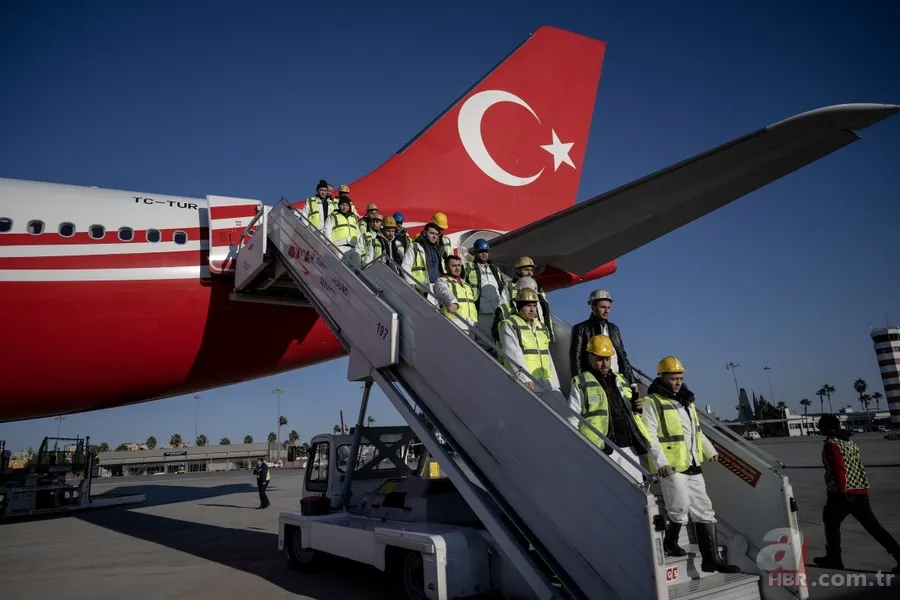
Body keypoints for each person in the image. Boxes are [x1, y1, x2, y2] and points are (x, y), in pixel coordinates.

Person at [640, 356, 738, 573]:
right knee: (680, 506)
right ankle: (670, 542)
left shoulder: (687, 402)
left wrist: (709, 450)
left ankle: (710, 560)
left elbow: (696, 430)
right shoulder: (652, 402)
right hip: (671, 466)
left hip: (692, 463)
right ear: (662, 377)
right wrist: (660, 462)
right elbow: (650, 436)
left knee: (705, 509)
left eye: (680, 378)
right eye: (674, 378)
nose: (678, 382)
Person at [812, 414, 900, 573]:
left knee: (831, 523)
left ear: (827, 428)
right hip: (860, 491)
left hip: (842, 493)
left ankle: (834, 558)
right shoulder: (850, 443)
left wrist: (841, 492)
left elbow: (839, 470)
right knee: (874, 527)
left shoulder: (831, 444)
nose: (820, 429)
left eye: (821, 426)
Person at [567, 335, 649, 483]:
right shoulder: (581, 382)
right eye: (599, 359)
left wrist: (638, 407)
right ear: (589, 357)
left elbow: (632, 411)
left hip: (629, 445)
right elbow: (573, 418)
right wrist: (579, 448)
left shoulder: (621, 379)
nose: (604, 363)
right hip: (603, 447)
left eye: (607, 359)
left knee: (638, 488)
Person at [570, 289, 637, 395]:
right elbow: (576, 360)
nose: (607, 311)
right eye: (603, 307)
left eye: (609, 308)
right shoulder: (580, 329)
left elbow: (623, 357)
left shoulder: (614, 329)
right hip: (594, 380)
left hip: (616, 380)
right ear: (592, 307)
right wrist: (578, 385)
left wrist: (632, 383)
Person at [497, 288, 559, 392]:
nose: (532, 310)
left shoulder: (541, 327)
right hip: (528, 382)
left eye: (534, 306)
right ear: (519, 307)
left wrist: (555, 382)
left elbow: (547, 356)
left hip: (546, 382)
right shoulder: (510, 324)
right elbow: (512, 352)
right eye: (528, 306)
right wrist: (525, 379)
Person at [463, 238, 510, 342]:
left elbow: (502, 288)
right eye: (481, 252)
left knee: (500, 339)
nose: (484, 254)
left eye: (486, 251)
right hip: (481, 311)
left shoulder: (495, 268)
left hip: (496, 309)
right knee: (485, 341)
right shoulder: (468, 268)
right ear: (475, 252)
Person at [507, 256, 554, 341]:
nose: (530, 273)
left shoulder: (538, 288)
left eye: (531, 270)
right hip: (521, 330)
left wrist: (549, 332)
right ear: (518, 271)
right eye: (526, 270)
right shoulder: (510, 286)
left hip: (539, 329)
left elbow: (545, 311)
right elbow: (506, 309)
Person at [401, 215, 447, 294]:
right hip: (422, 288)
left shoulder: (438, 249)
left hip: (439, 287)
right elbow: (405, 266)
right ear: (425, 233)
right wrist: (411, 284)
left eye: (436, 234)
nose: (434, 236)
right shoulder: (415, 246)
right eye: (432, 233)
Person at [434, 255, 478, 332]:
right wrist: (453, 303)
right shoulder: (442, 281)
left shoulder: (466, 285)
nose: (457, 268)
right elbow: (444, 292)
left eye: (459, 265)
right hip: (454, 324)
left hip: (472, 325)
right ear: (446, 267)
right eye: (454, 266)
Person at [492, 276, 539, 344]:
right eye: (528, 292)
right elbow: (495, 333)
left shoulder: (534, 310)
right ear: (519, 291)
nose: (530, 295)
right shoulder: (503, 309)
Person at [323, 196, 365, 267]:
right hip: (339, 246)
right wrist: (329, 244)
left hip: (354, 247)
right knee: (340, 268)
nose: (344, 207)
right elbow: (327, 230)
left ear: (349, 207)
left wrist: (360, 248)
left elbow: (358, 233)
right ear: (339, 206)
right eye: (342, 205)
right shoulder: (333, 216)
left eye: (346, 205)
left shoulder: (353, 218)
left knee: (357, 269)